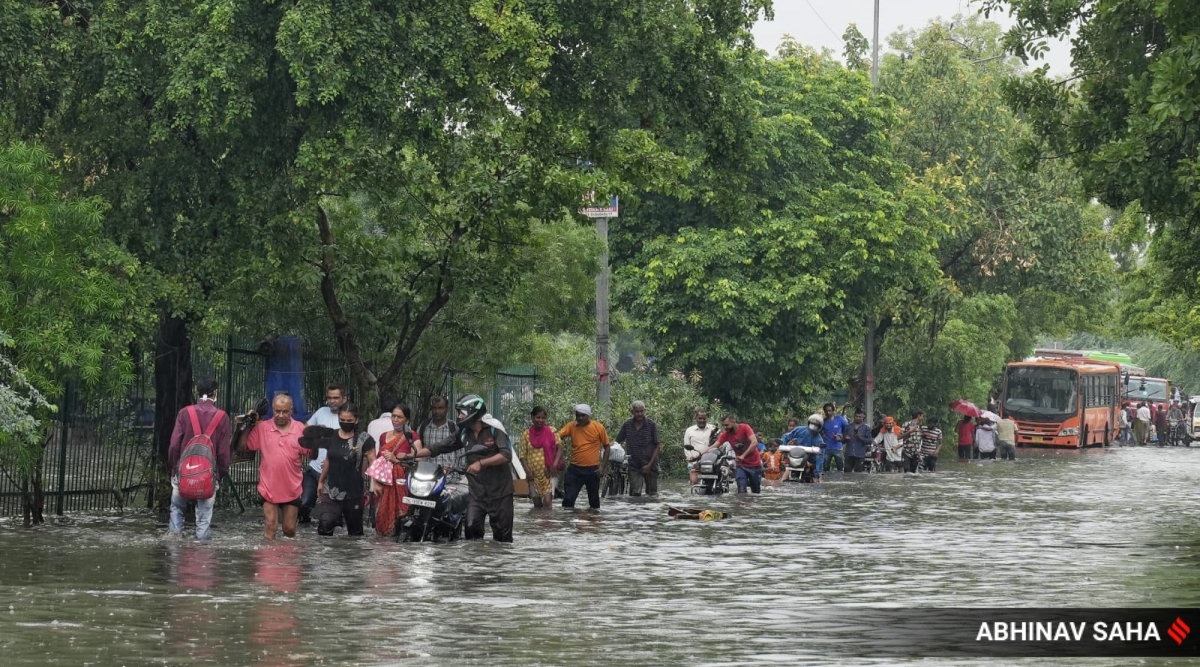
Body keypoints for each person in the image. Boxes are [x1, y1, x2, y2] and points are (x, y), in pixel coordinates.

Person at [415, 394, 515, 542]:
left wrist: (481, 463)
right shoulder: (463, 432)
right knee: (471, 528)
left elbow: (506, 455)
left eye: (462, 413)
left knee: (502, 538)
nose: (459, 416)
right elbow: (440, 446)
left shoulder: (495, 429)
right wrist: (412, 454)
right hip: (476, 492)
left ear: (474, 412)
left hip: (500, 492)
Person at [166, 377, 231, 540]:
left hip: (183, 474)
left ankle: (174, 549)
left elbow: (174, 445)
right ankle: (202, 557)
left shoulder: (184, 413)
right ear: (215, 393)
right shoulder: (222, 417)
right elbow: (224, 454)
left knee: (177, 508)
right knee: (203, 519)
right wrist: (218, 476)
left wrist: (174, 470)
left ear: (196, 391)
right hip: (208, 476)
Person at [238, 394, 308, 540]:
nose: (281, 415)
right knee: (271, 526)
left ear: (291, 411)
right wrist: (247, 424)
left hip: (292, 487)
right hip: (268, 486)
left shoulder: (300, 429)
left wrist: (316, 441)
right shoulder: (262, 428)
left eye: (285, 411)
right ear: (273, 410)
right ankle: (268, 561)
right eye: (277, 411)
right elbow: (243, 447)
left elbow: (311, 455)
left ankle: (290, 559)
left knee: (289, 529)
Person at [309, 403, 375, 537]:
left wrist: (375, 485)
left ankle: (349, 557)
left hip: (354, 493)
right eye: (342, 420)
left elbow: (374, 463)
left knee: (355, 533)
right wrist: (321, 481)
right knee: (325, 524)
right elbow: (328, 460)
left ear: (356, 420)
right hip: (331, 489)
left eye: (349, 421)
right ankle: (326, 556)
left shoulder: (365, 439)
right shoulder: (331, 436)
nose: (345, 423)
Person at [367, 403, 418, 537]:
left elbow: (418, 461)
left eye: (399, 417)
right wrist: (376, 483)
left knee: (401, 519)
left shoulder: (412, 437)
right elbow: (378, 462)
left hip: (403, 483)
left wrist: (397, 461)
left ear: (407, 420)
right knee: (381, 516)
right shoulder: (384, 436)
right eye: (394, 416)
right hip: (383, 483)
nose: (395, 420)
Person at [301, 383, 347, 524]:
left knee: (334, 514)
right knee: (304, 503)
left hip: (335, 473)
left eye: (336, 398)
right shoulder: (321, 412)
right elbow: (305, 431)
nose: (332, 401)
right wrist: (315, 431)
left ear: (344, 399)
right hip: (315, 469)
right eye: (329, 398)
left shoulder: (347, 418)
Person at [554, 404, 610, 510]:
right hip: (574, 470)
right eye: (578, 415)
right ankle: (569, 523)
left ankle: (593, 523)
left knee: (594, 504)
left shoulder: (598, 427)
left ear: (588, 416)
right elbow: (557, 437)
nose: (580, 418)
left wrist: (603, 467)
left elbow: (607, 447)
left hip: (593, 470)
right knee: (568, 501)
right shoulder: (571, 426)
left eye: (583, 415)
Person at [616, 400, 661, 497]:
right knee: (635, 494)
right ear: (632, 412)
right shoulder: (627, 425)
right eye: (637, 411)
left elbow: (657, 445)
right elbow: (618, 440)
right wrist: (608, 446)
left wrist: (649, 465)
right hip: (634, 465)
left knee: (652, 495)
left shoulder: (651, 425)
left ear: (644, 411)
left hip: (651, 465)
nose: (640, 414)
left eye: (641, 411)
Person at [517, 406, 558, 508]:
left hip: (548, 472)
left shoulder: (552, 431)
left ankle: (548, 523)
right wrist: (528, 471)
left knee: (548, 503)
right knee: (537, 505)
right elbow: (522, 455)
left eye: (543, 418)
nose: (541, 420)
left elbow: (559, 448)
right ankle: (537, 524)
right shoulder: (526, 434)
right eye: (538, 417)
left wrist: (554, 465)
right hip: (533, 474)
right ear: (532, 417)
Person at [418, 396, 462, 479]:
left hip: (450, 478)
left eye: (440, 408)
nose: (437, 411)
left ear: (447, 409)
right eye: (434, 408)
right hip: (429, 477)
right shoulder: (424, 427)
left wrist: (459, 472)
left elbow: (461, 452)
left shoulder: (454, 427)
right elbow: (418, 448)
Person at [718, 414, 763, 493]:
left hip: (754, 464)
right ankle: (741, 504)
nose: (725, 428)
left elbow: (754, 442)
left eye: (727, 425)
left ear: (733, 421)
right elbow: (715, 445)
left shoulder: (745, 427)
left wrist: (743, 456)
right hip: (741, 465)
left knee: (755, 491)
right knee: (741, 490)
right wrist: (700, 454)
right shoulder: (726, 434)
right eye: (724, 426)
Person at [783, 414, 826, 480]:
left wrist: (818, 472)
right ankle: (781, 484)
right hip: (796, 458)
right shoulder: (799, 430)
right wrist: (782, 444)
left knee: (817, 479)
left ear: (819, 427)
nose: (813, 426)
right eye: (812, 423)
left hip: (811, 462)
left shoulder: (819, 440)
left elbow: (820, 458)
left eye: (816, 425)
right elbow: (786, 437)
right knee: (787, 471)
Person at [684, 410, 716, 485]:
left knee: (715, 483)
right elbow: (686, 448)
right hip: (695, 463)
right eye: (700, 418)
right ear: (696, 418)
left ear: (707, 418)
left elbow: (720, 444)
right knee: (694, 483)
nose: (702, 420)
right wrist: (694, 462)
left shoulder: (713, 429)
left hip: (712, 462)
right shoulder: (689, 430)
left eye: (704, 418)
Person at [821, 403, 848, 473]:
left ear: (833, 411)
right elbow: (819, 432)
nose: (828, 412)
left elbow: (848, 428)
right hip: (827, 448)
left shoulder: (839, 419)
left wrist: (842, 435)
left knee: (840, 468)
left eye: (830, 410)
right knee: (825, 468)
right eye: (826, 411)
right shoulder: (823, 422)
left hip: (838, 447)